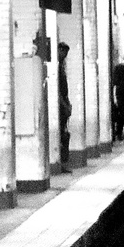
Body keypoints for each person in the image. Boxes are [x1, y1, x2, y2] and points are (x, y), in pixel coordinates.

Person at [55, 42, 72, 170]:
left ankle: (63, 162)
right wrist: (64, 105)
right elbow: (58, 90)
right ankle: (62, 163)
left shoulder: (61, 66)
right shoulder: (56, 67)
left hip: (64, 103)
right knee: (63, 134)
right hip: (61, 105)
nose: (65, 56)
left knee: (64, 133)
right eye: (64, 53)